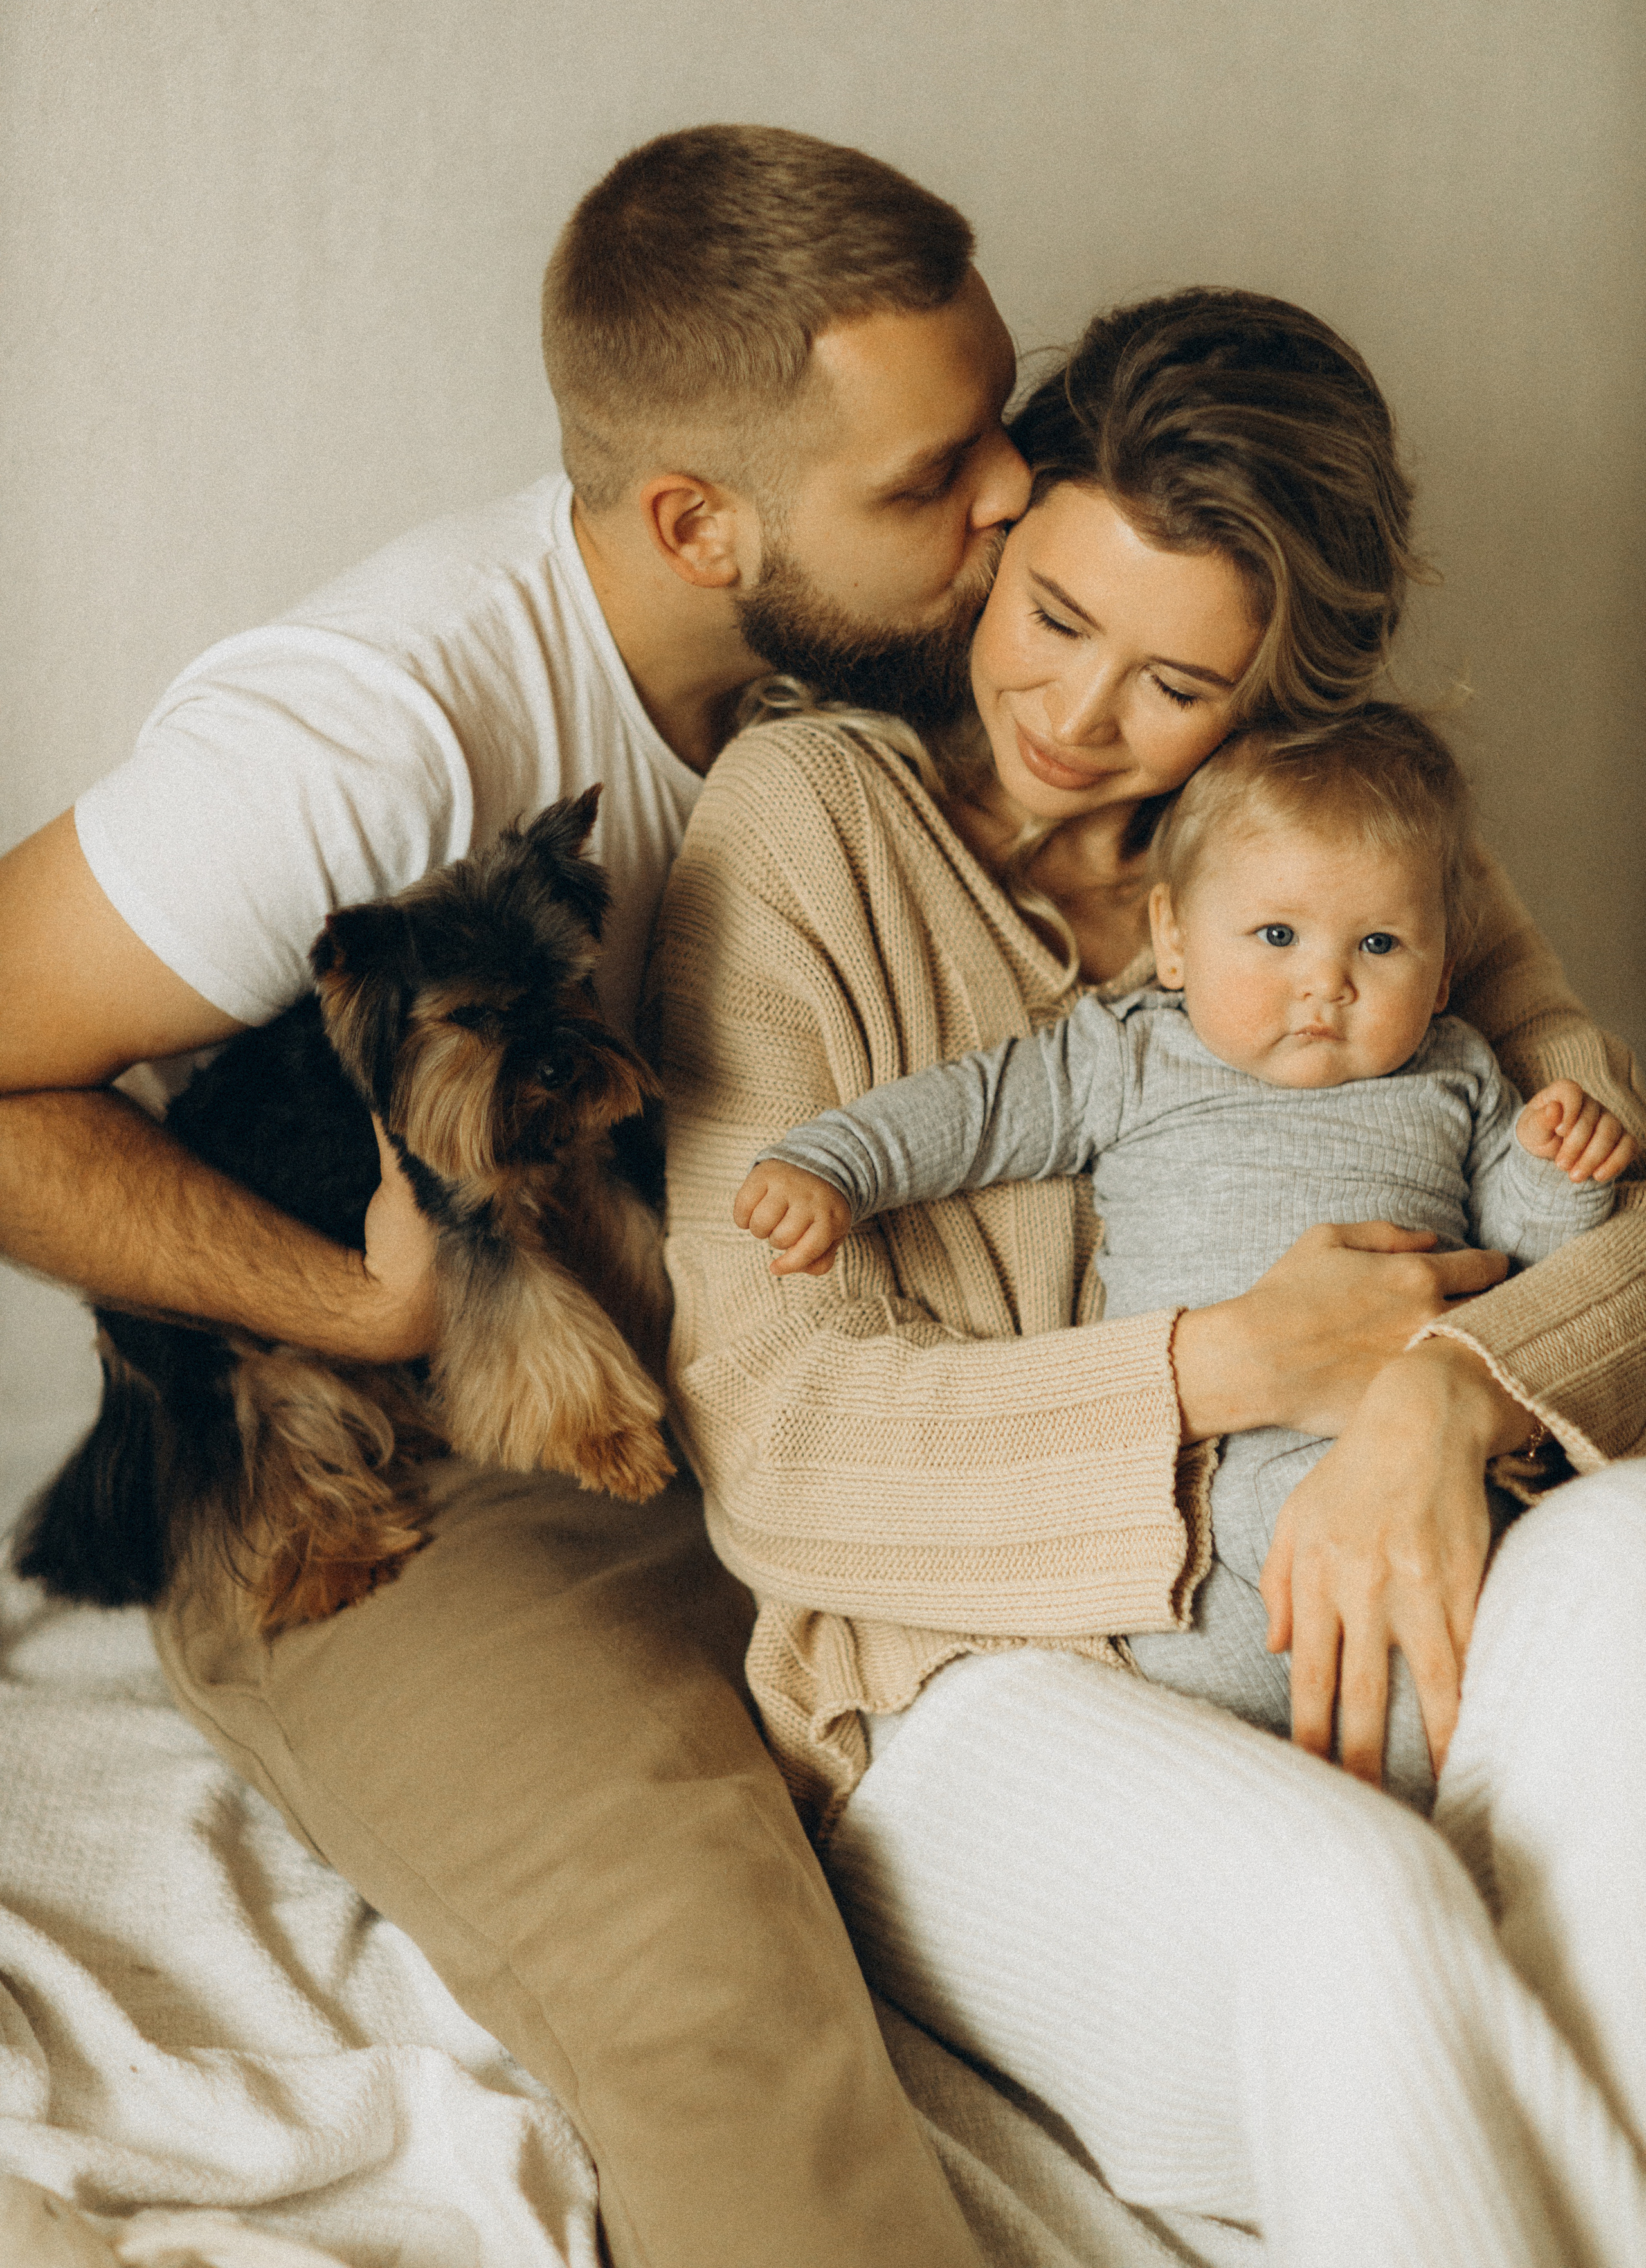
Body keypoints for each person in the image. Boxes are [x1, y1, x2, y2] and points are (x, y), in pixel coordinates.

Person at [0, 123, 1037, 2268]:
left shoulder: (884, 669)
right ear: (694, 517)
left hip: (754, 1390)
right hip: (377, 1466)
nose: (1009, 495)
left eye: (997, 431)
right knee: (709, 1970)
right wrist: (363, 1306)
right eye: (935, 477)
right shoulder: (366, 735)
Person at [651, 286, 1646, 2264]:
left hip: (1414, 1548)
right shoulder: (804, 830)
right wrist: (1232, 1363)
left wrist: (1438, 1392)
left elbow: (1610, 1206)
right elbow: (779, 1437)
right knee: (1349, 1906)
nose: (1078, 716)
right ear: (998, 536)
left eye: (1178, 686)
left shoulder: (1347, 846)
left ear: (1273, 699)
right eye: (1054, 616)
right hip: (977, 1691)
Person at [730, 708, 1634, 1810]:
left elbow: (1526, 1269)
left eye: (1380, 947)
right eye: (1275, 937)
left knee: (1492, 1668)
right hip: (1195, 1488)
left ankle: (1457, 1816)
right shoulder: (1134, 1051)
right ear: (1174, 940)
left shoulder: (1458, 1072)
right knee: (1233, 1679)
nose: (1327, 984)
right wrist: (834, 1166)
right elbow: (972, 1112)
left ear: (1444, 972)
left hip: (1410, 1477)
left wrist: (1561, 1172)